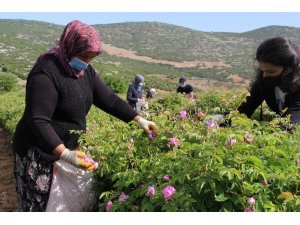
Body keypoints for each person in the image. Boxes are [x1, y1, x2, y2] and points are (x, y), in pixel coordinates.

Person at [12, 20, 158, 212]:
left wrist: (140, 120)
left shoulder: (85, 72)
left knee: (67, 203)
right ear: (69, 46)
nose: (86, 62)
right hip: (38, 151)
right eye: (83, 56)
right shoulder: (46, 72)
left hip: (67, 149)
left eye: (91, 57)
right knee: (40, 205)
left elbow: (110, 100)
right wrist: (65, 154)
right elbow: (38, 121)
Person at [237, 36, 300, 125]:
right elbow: (247, 106)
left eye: (271, 71)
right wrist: (221, 122)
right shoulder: (265, 79)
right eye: (262, 70)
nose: (264, 75)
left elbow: (291, 123)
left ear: (288, 69)